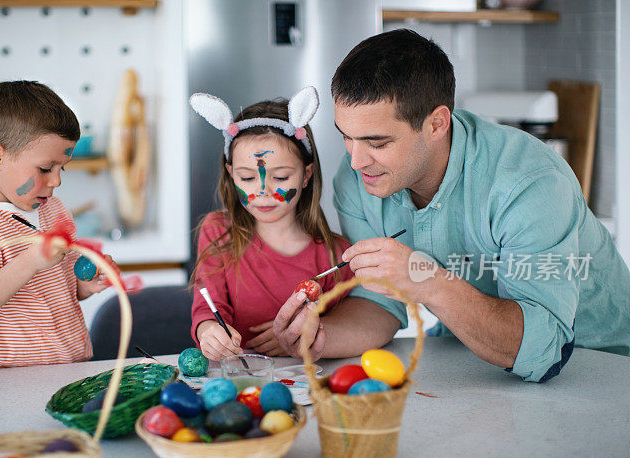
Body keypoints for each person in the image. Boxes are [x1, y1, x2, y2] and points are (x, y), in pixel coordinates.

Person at [273, 29, 630, 382]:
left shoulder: (528, 182)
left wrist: (426, 279)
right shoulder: (357, 179)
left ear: (437, 124)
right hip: (476, 359)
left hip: (599, 366)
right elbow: (380, 302)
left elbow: (546, 350)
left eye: (377, 143)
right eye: (346, 137)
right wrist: (321, 338)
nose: (355, 161)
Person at [0, 81, 114, 371]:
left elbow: (64, 289)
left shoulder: (55, 211)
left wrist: (85, 284)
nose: (57, 181)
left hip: (66, 372)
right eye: (46, 169)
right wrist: (30, 261)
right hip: (1, 386)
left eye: (62, 169)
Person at [189, 87, 353, 361]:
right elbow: (208, 309)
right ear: (231, 175)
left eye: (280, 178)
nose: (262, 191)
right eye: (247, 178)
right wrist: (209, 332)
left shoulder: (338, 256)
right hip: (234, 379)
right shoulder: (217, 232)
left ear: (306, 175)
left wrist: (304, 335)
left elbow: (348, 321)